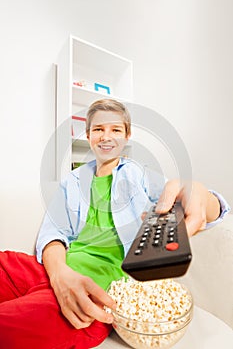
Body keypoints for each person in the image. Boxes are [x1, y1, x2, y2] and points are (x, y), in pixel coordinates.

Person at [0, 99, 230, 349]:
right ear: (88, 136)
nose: (106, 137)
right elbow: (53, 233)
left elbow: (192, 201)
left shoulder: (139, 175)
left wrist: (198, 192)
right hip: (48, 269)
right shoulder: (72, 181)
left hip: (94, 293)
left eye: (115, 129)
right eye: (98, 129)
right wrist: (59, 275)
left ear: (127, 136)